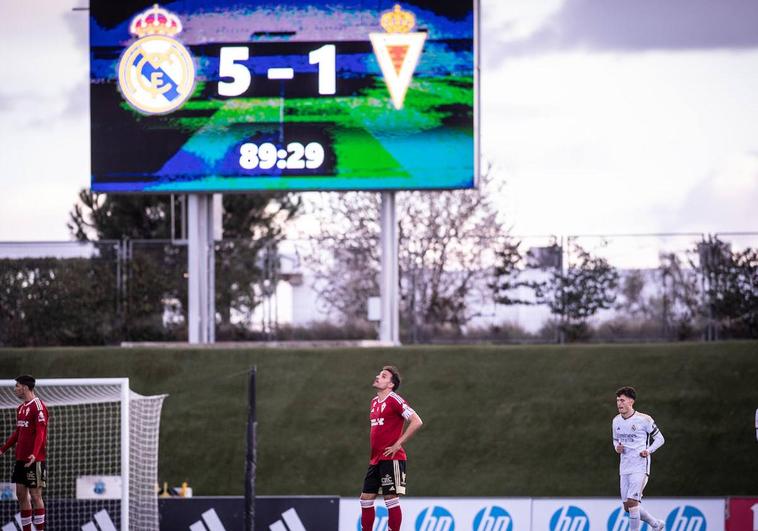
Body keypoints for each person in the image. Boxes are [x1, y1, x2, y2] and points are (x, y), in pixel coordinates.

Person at [360, 366, 423, 531]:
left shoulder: (395, 399)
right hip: (376, 459)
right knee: (365, 499)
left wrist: (398, 443)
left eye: (383, 376)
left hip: (392, 457)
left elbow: (417, 421)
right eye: (379, 374)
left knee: (390, 499)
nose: (378, 377)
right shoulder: (374, 402)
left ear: (391, 384)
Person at [612, 386, 665, 531]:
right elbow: (615, 440)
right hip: (624, 467)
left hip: (640, 467)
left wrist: (648, 450)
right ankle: (656, 524)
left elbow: (660, 439)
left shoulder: (644, 420)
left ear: (631, 401)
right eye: (617, 400)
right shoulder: (616, 421)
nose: (619, 403)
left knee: (633, 503)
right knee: (627, 507)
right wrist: (617, 447)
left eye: (622, 400)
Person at [0, 375, 48, 531]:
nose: (16, 389)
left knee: (35, 496)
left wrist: (34, 454)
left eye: (18, 386)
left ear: (26, 388)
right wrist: (2, 449)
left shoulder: (39, 407)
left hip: (35, 459)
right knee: (21, 495)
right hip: (21, 459)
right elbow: (18, 433)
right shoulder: (21, 408)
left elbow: (41, 433)